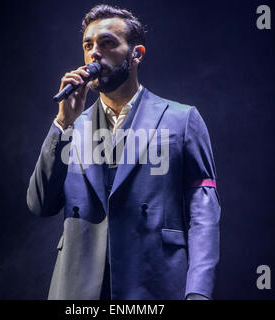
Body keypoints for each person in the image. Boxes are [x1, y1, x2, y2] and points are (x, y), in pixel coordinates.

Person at [27, 4, 221, 300]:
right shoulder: (71, 127)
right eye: (88, 45)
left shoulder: (182, 120)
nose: (94, 53)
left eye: (107, 43)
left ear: (136, 54)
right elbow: (40, 204)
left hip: (153, 285)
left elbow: (203, 214)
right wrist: (62, 123)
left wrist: (198, 291)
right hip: (77, 289)